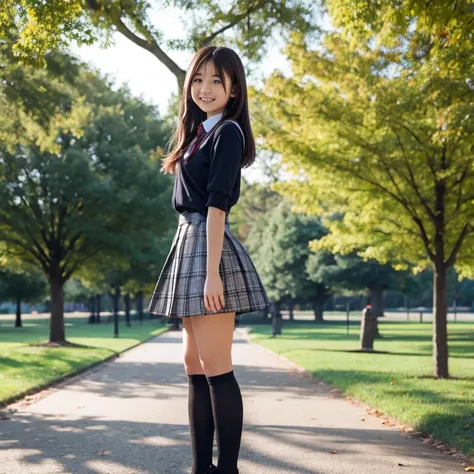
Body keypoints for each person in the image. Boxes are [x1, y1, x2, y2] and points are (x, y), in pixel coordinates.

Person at [147, 45, 271, 474]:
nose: (205, 88)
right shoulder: (197, 133)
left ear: (234, 89)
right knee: (193, 364)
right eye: (198, 79)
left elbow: (218, 207)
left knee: (217, 366)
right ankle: (202, 468)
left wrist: (213, 273)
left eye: (217, 80)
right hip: (189, 242)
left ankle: (227, 470)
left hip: (208, 244)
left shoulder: (227, 133)